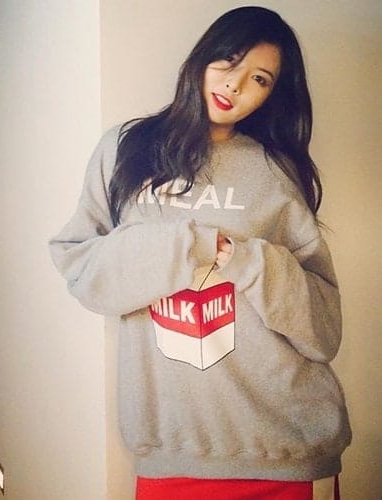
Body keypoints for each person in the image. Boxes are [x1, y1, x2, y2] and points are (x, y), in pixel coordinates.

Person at [50, 6, 351, 499]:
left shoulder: (274, 171)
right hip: (173, 447)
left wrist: (248, 260)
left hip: (286, 447)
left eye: (259, 78)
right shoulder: (126, 150)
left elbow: (323, 331)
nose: (235, 84)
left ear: (271, 95)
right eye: (229, 60)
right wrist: (190, 246)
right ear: (202, 56)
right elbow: (81, 268)